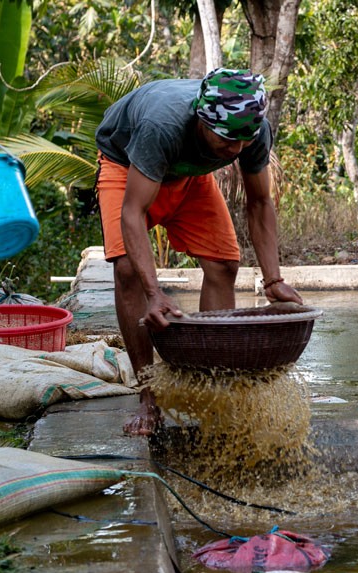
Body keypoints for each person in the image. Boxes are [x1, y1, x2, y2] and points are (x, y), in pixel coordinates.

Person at [95, 68, 303, 436]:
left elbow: (259, 202)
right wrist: (154, 293)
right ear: (201, 119)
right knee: (127, 269)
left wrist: (273, 280)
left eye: (243, 140)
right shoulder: (163, 124)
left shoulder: (250, 132)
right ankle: (149, 398)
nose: (235, 150)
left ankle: (215, 390)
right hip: (125, 166)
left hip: (188, 175)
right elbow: (133, 212)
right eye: (226, 140)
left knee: (223, 264)